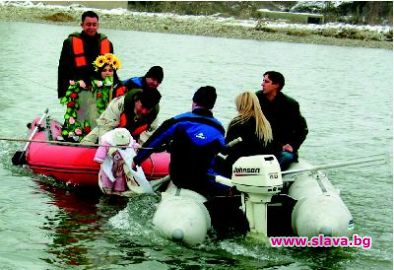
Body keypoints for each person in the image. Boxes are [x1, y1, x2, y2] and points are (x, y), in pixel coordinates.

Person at [132, 86, 228, 198]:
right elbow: (224, 152)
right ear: (212, 106)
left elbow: (155, 141)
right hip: (203, 180)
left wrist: (137, 160)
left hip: (180, 177)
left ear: (194, 102)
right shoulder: (219, 129)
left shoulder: (178, 121)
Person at [216, 91, 280, 178]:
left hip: (238, 168)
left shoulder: (238, 123)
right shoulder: (266, 126)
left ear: (241, 105)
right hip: (259, 169)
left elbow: (226, 150)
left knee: (212, 159)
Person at [60, 53, 122, 142]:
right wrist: (78, 84)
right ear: (100, 72)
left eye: (110, 70)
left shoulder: (119, 85)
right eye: (104, 70)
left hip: (111, 117)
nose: (107, 72)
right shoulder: (95, 83)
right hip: (94, 115)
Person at [256, 71, 308, 170]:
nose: (262, 84)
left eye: (266, 81)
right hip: (258, 144)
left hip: (280, 147)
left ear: (276, 85)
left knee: (286, 157)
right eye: (263, 81)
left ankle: (273, 178)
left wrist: (293, 145)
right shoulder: (255, 100)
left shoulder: (290, 105)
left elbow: (302, 129)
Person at [57, 10, 114, 99]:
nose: (91, 27)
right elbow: (62, 70)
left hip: (100, 92)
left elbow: (112, 71)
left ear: (98, 26)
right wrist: (62, 94)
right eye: (88, 24)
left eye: (94, 25)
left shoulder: (107, 44)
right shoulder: (69, 43)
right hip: (77, 91)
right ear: (82, 25)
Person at [81, 88, 161, 145]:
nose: (144, 111)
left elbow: (144, 142)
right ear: (137, 100)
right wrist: (109, 150)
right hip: (109, 129)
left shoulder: (153, 119)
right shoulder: (119, 104)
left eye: (148, 109)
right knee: (86, 142)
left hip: (133, 141)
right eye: (142, 107)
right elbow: (105, 128)